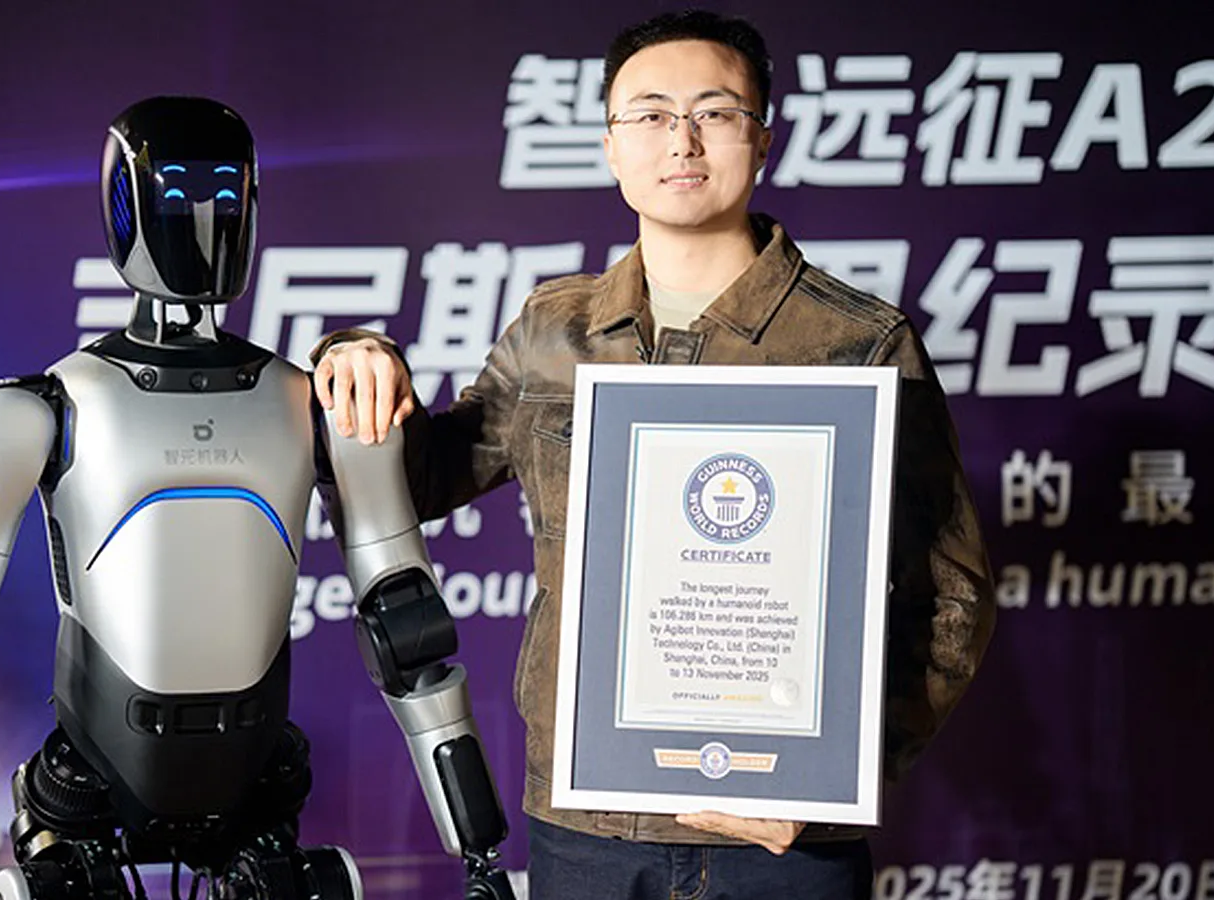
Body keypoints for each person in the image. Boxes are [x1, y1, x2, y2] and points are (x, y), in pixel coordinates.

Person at [311, 11, 995, 899]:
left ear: (763, 138)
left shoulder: (856, 343)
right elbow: (424, 478)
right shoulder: (555, 329)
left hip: (784, 840)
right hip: (589, 824)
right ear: (611, 145)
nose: (682, 140)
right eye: (651, 115)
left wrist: (838, 773)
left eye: (714, 112)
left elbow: (952, 593)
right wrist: (354, 362)